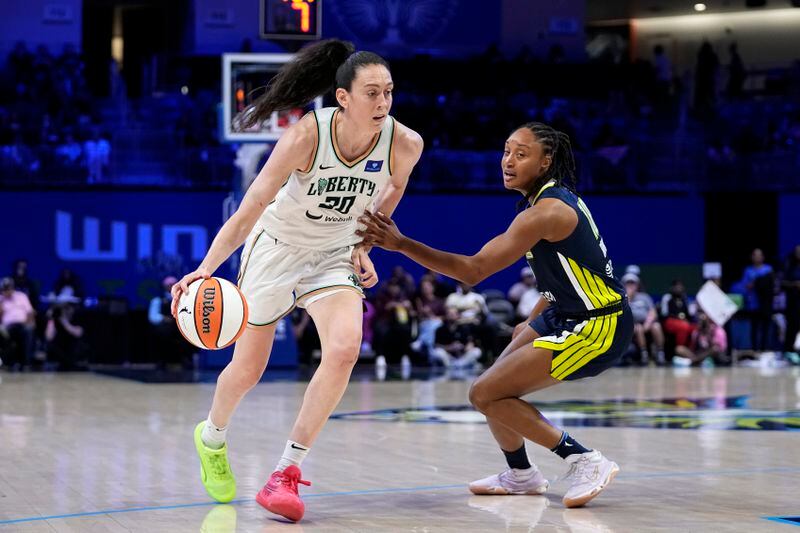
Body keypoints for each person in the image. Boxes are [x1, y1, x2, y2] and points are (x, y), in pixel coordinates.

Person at [170, 39, 423, 522]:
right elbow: (251, 207)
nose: (384, 103)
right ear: (342, 98)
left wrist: (364, 244)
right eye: (372, 93)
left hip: (332, 253)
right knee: (248, 369)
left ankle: (286, 472)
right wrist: (205, 268)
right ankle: (212, 435)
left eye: (389, 92)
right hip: (277, 247)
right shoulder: (308, 135)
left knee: (346, 348)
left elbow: (395, 187)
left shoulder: (405, 143)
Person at [359, 121, 633, 508]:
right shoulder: (546, 203)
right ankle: (521, 474)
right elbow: (569, 272)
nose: (508, 161)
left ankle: (583, 459)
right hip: (562, 312)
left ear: (545, 162)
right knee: (492, 386)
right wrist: (536, 314)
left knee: (484, 393)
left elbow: (473, 271)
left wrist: (401, 244)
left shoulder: (545, 213)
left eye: (521, 154)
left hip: (599, 324)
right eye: (506, 151)